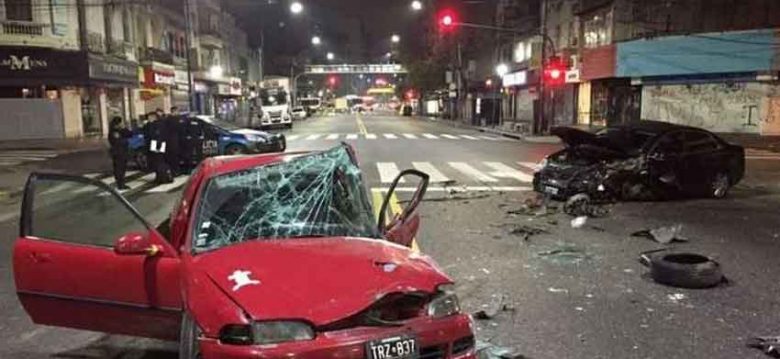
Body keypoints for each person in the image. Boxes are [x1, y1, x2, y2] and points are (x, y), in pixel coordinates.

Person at [144, 111, 173, 184]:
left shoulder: (157, 124)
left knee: (159, 161)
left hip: (157, 144)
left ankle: (162, 177)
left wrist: (158, 146)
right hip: (156, 143)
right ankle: (159, 177)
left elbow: (156, 135)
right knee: (157, 162)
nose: (149, 118)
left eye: (150, 117)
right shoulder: (152, 124)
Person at [108, 116, 131, 190]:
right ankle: (120, 184)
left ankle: (121, 182)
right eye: (121, 123)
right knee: (119, 168)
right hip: (118, 152)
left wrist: (125, 128)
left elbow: (130, 134)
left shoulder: (120, 130)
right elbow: (117, 142)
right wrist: (125, 141)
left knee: (122, 168)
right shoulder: (114, 131)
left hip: (122, 152)